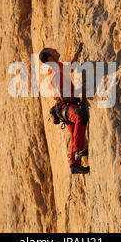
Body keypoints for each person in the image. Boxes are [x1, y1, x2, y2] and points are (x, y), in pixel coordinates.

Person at [39, 44, 89, 174]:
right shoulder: (54, 72)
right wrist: (80, 90)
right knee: (80, 116)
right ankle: (78, 153)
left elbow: (71, 67)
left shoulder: (59, 66)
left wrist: (78, 51)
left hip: (66, 106)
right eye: (52, 50)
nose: (56, 49)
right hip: (65, 106)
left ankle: (74, 165)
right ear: (50, 57)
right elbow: (64, 96)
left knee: (74, 135)